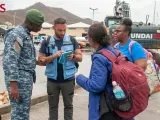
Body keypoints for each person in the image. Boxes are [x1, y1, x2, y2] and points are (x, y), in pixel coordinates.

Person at [3, 9, 44, 120]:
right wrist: (13, 85)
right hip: (19, 80)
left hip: (24, 79)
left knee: (23, 110)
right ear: (30, 22)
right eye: (39, 25)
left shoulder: (25, 34)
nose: (40, 28)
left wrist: (36, 61)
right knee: (19, 112)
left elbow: (22, 58)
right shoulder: (17, 34)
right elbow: (10, 60)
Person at [76, 23, 123, 120]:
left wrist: (79, 77)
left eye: (87, 37)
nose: (87, 39)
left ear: (92, 39)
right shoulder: (113, 51)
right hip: (118, 103)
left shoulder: (100, 57)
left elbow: (96, 86)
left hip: (106, 108)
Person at [38, 18, 82, 120]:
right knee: (52, 107)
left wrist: (74, 56)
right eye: (59, 30)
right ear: (53, 28)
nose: (62, 33)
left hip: (68, 80)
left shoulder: (72, 40)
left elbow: (80, 57)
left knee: (68, 106)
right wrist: (53, 56)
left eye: (64, 30)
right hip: (52, 81)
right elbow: (40, 61)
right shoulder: (46, 42)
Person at [114, 18, 147, 120]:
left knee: (127, 113)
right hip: (118, 88)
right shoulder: (115, 46)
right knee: (121, 113)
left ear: (126, 33)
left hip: (129, 89)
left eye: (118, 31)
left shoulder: (134, 46)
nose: (115, 33)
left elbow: (141, 68)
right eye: (115, 30)